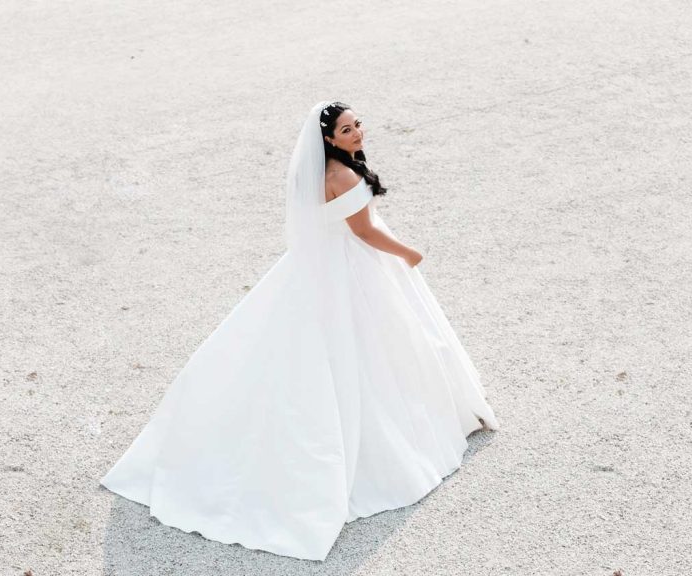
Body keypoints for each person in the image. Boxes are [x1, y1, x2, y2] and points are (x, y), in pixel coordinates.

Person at [99, 100, 500, 561]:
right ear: (328, 139)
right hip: (352, 266)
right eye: (347, 130)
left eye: (358, 125)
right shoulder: (342, 177)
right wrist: (409, 253)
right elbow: (365, 232)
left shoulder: (318, 172)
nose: (358, 133)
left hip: (318, 265)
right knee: (371, 349)